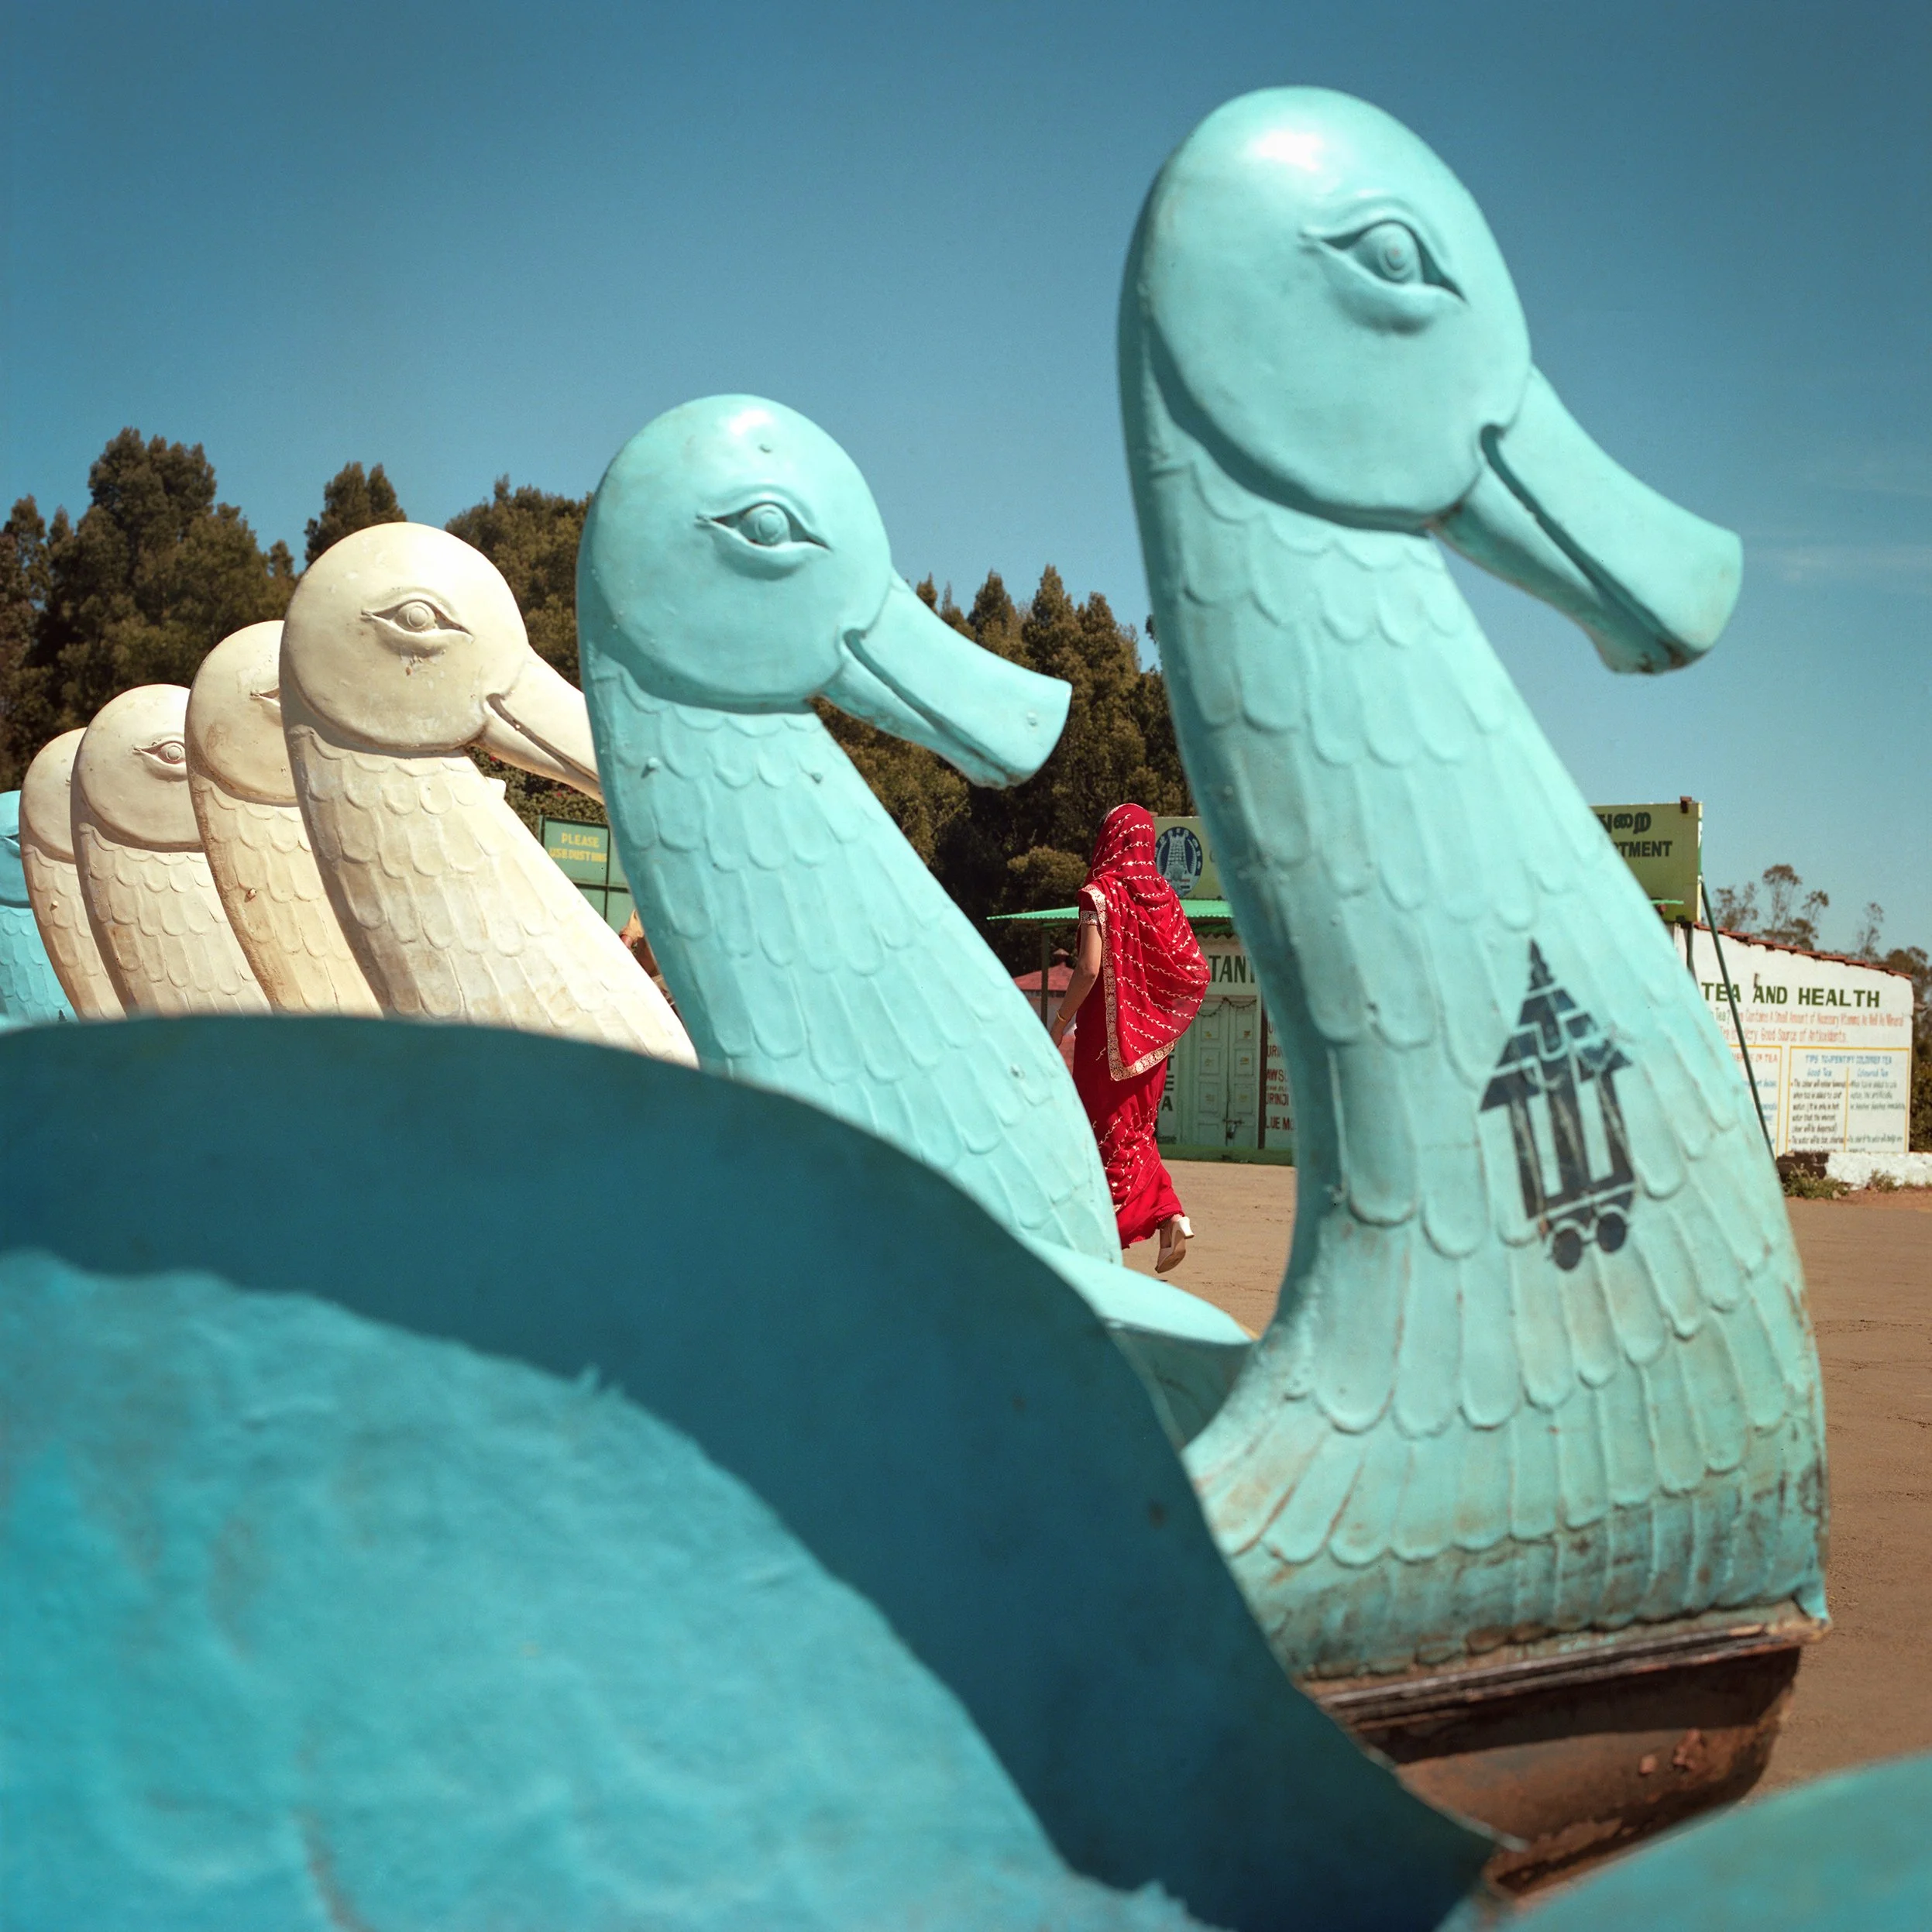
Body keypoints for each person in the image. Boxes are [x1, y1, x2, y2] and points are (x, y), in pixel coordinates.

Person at [1049, 804, 1209, 1271]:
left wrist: (1058, 1024)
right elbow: (1193, 967)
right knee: (1135, 1137)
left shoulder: (1099, 894)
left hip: (1105, 1046)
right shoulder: (1163, 899)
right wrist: (1155, 1021)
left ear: (1112, 838)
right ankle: (1169, 1216)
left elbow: (1088, 969)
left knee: (1103, 1140)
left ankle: (1094, 1239)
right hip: (1149, 1047)